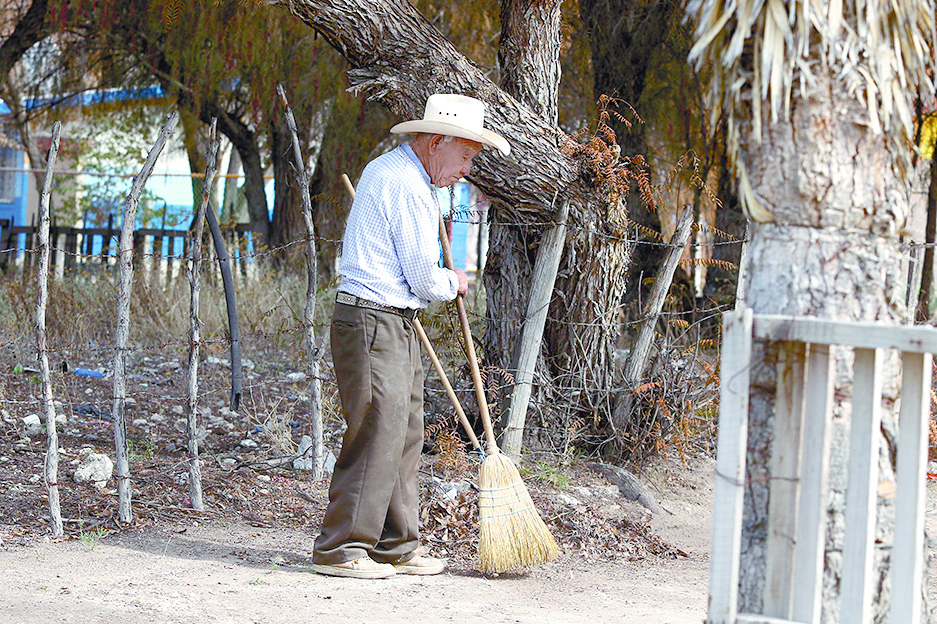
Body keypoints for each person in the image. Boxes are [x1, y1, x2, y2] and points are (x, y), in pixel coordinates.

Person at [310, 94, 511, 579]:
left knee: (405, 430)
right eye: (465, 156)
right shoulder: (405, 184)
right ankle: (340, 550)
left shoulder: (413, 180)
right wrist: (454, 282)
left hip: (391, 320)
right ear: (436, 141)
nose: (467, 168)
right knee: (378, 429)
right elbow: (424, 279)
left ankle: (396, 545)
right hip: (371, 319)